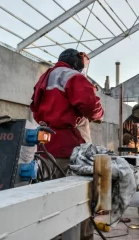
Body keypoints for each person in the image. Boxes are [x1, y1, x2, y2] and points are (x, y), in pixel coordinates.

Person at [30, 48, 104, 240]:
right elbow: (90, 105)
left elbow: (35, 108)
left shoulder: (45, 78)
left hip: (46, 147)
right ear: (77, 63)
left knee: (50, 197)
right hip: (70, 147)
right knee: (80, 198)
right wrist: (98, 115)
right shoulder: (73, 77)